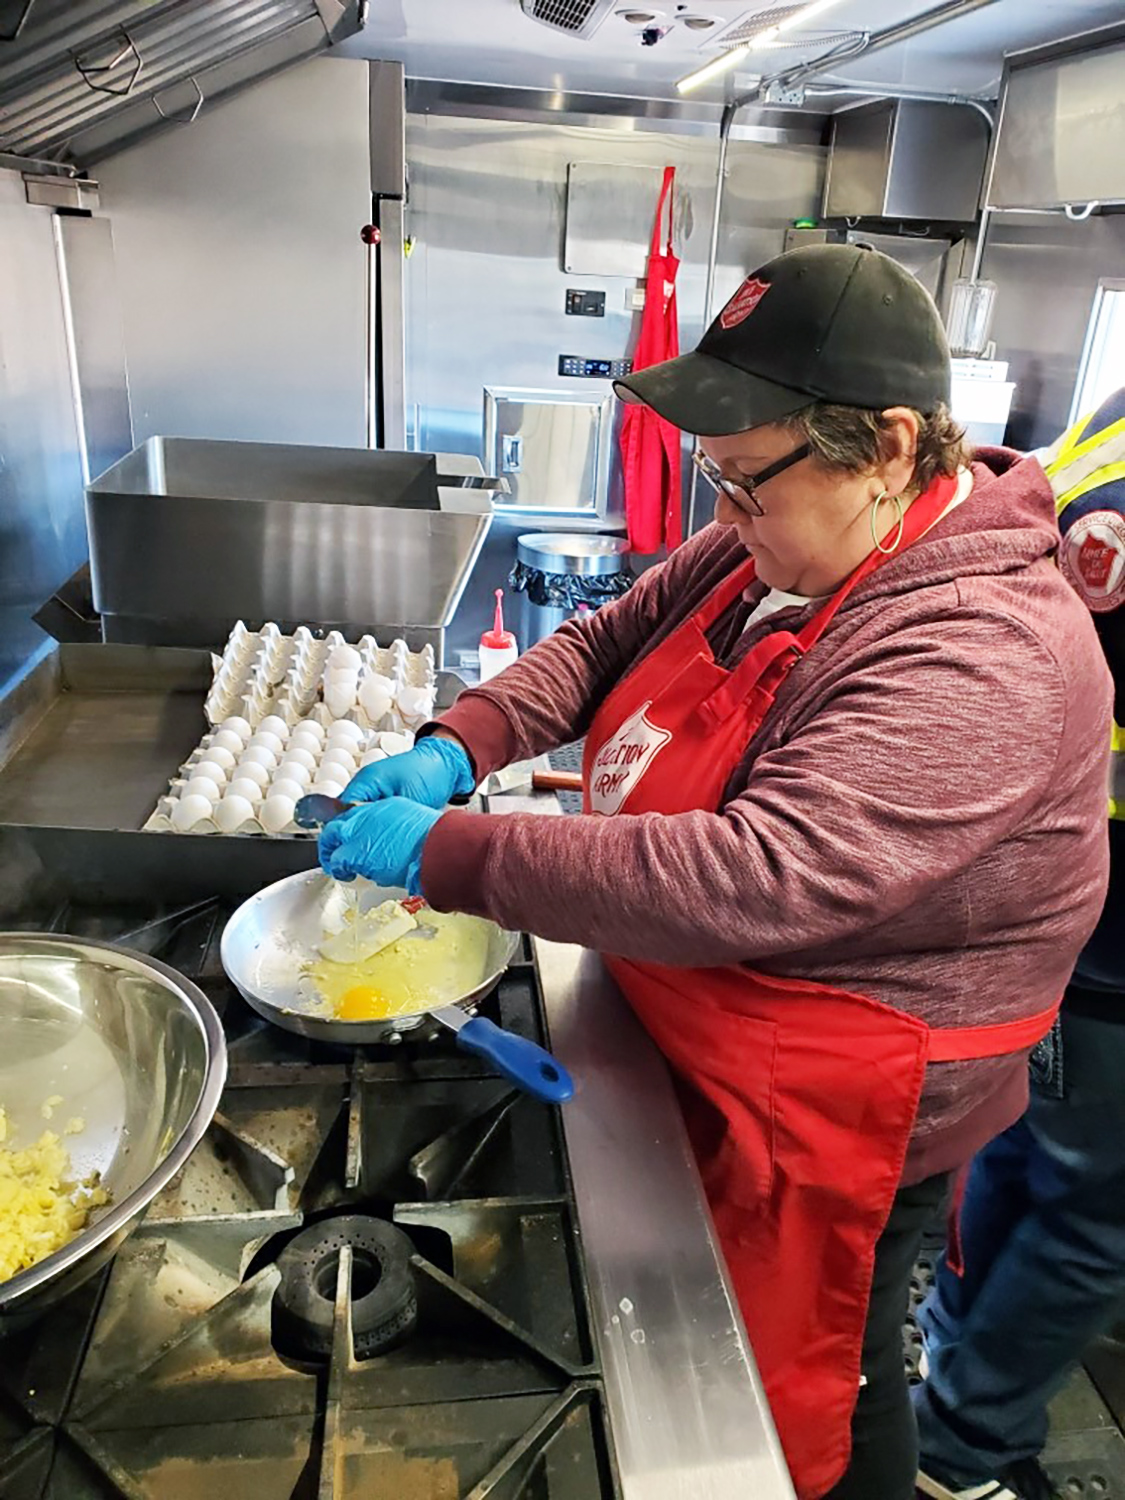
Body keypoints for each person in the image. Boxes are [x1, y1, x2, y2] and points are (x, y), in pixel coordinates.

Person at [317, 245, 1112, 1500]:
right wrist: (457, 744)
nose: (723, 517)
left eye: (745, 481)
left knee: (825, 1381)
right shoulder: (784, 548)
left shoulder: (984, 646)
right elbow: (603, 639)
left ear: (892, 447)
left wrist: (450, 851)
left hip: (846, 1085)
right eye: (715, 478)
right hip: (710, 1014)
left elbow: (759, 874)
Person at [914, 389, 1125, 1500]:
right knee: (1097, 1217)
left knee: (1021, 1149)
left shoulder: (1118, 416)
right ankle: (962, 1444)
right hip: (1109, 938)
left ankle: (954, 1367)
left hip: (1044, 907)